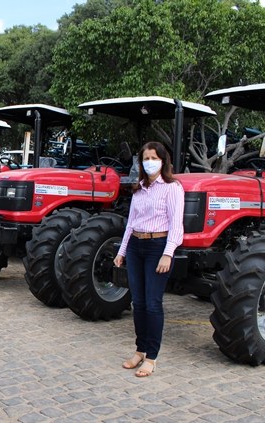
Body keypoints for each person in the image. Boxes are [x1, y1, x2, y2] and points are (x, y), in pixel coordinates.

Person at [113, 141, 184, 378]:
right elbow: (130, 223)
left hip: (157, 247)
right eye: (146, 158)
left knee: (153, 304)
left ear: (163, 161)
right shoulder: (139, 189)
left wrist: (168, 252)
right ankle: (140, 349)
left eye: (154, 157)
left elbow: (176, 224)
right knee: (139, 303)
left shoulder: (173, 188)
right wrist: (122, 251)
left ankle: (151, 357)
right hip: (136, 246)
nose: (150, 162)